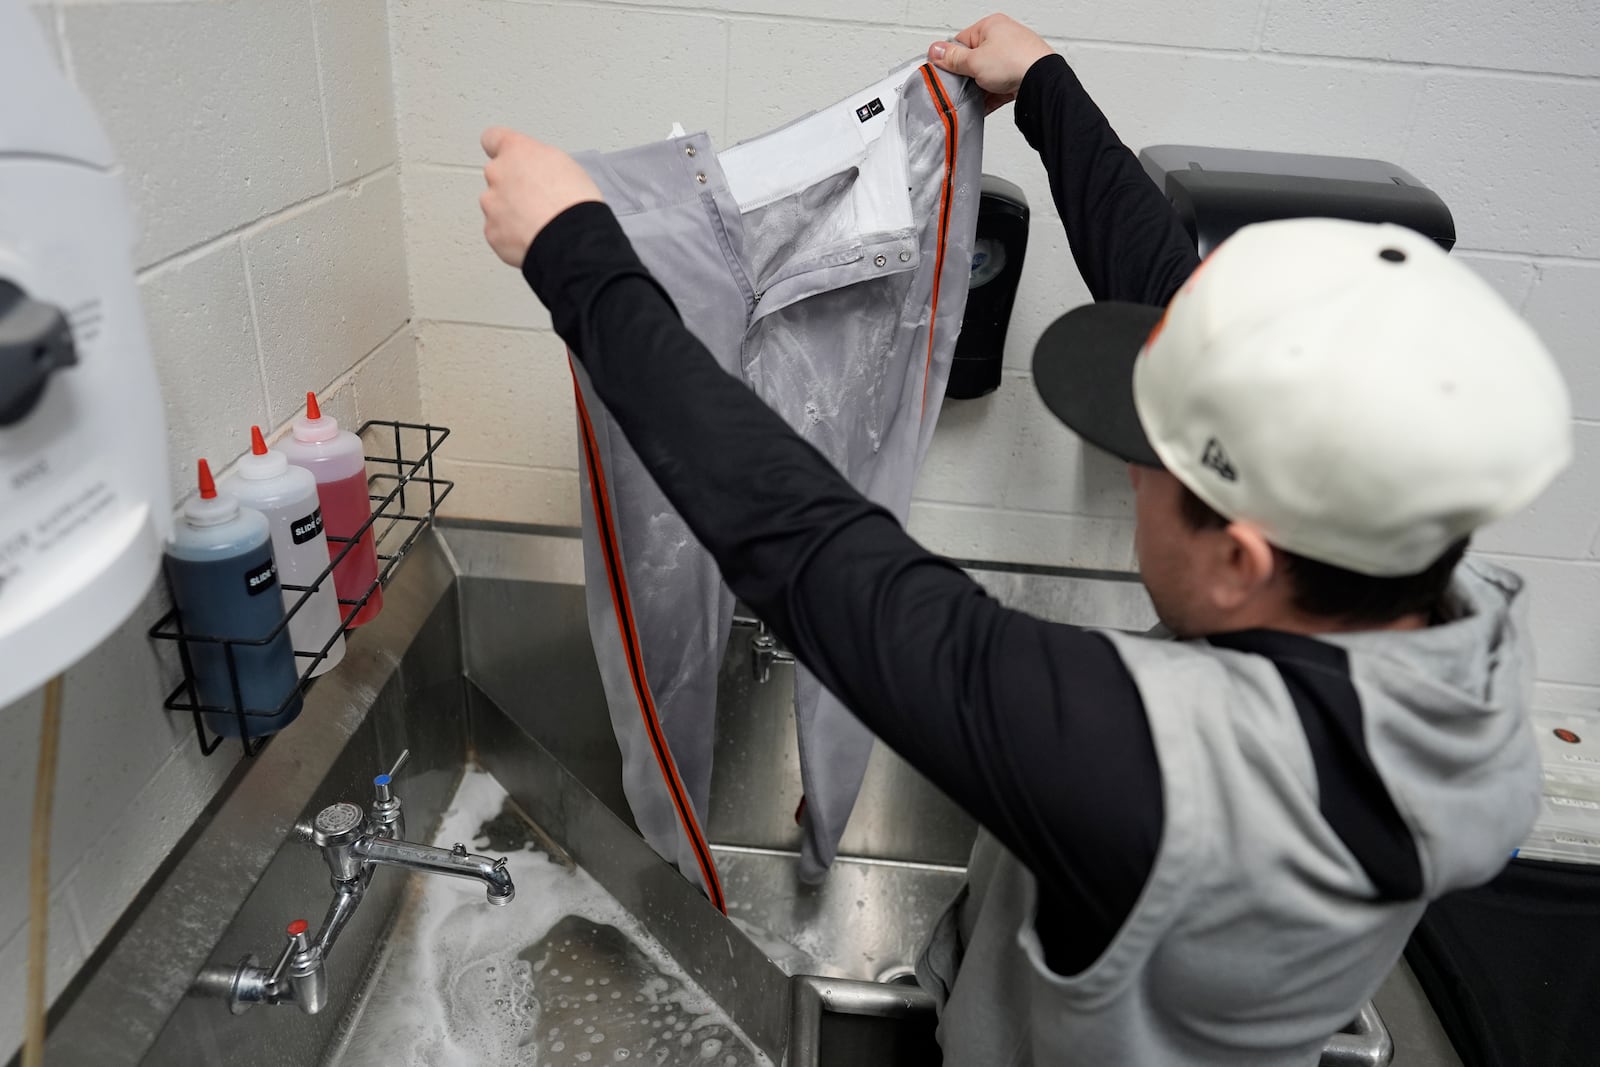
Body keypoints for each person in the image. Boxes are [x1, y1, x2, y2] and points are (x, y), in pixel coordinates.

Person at [477, 12, 1573, 1065]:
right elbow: (1182, 308)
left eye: (1143, 459)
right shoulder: (1434, 609)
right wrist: (1046, 88)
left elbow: (822, 564)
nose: (1126, 468)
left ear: (1241, 561)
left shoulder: (1167, 783)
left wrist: (580, 256)